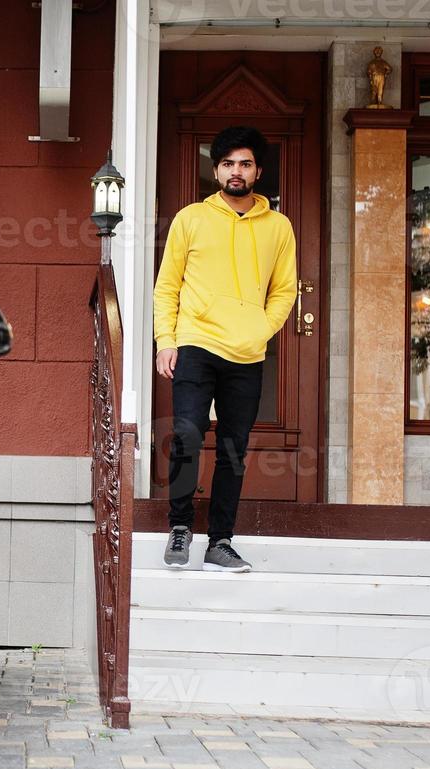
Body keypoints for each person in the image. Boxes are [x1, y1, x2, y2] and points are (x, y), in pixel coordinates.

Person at [154, 126, 297, 572]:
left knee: (233, 448)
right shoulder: (191, 218)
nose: (237, 171)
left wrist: (260, 329)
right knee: (188, 435)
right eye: (229, 163)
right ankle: (180, 528)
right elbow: (167, 288)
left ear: (258, 171)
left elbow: (285, 289)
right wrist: (166, 341)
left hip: (247, 355)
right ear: (216, 169)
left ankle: (220, 540)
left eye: (246, 163)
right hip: (196, 343)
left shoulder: (278, 226)